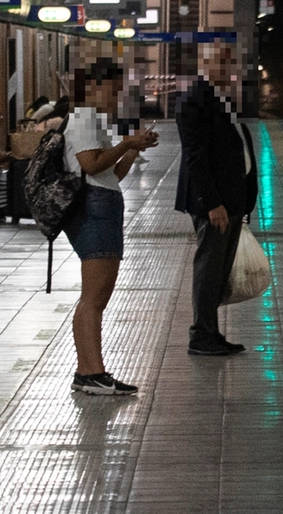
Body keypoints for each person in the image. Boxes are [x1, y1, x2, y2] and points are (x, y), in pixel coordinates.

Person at [64, 59, 159, 395]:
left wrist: (133, 151)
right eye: (114, 87)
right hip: (95, 208)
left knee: (97, 297)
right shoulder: (85, 117)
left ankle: (90, 371)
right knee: (93, 296)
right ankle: (90, 373)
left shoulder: (93, 119)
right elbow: (90, 166)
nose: (119, 94)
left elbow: (110, 174)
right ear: (94, 86)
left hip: (102, 204)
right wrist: (126, 145)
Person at [174, 43, 257, 356]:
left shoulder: (220, 97)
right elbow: (195, 156)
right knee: (209, 268)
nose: (232, 69)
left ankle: (211, 331)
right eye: (226, 63)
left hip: (231, 198)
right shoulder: (195, 98)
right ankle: (201, 335)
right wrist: (212, 203)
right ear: (207, 65)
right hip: (215, 202)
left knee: (218, 269)